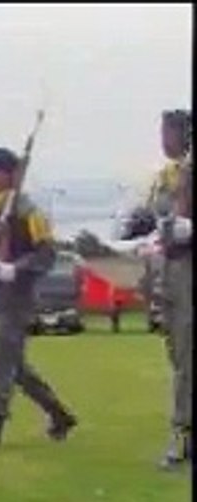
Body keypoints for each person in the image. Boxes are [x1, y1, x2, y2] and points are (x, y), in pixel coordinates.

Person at [0, 146, 78, 452]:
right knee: (16, 366)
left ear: (10, 174)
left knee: (1, 358)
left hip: (17, 294)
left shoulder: (26, 210)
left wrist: (17, 268)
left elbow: (46, 253)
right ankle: (59, 414)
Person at [120, 109, 192, 470]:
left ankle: (182, 434)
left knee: (186, 357)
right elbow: (154, 219)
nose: (164, 139)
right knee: (178, 354)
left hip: (187, 267)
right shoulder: (168, 177)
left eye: (170, 131)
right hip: (168, 270)